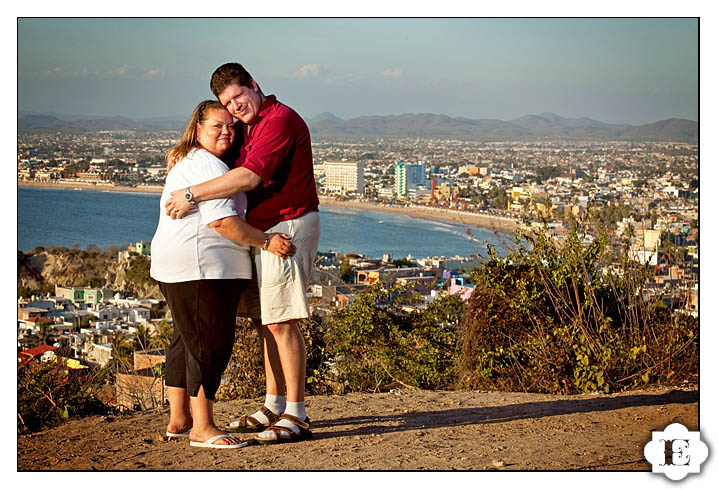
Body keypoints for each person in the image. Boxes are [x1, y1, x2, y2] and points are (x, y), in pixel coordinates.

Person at [164, 62, 320, 444]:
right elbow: (220, 161)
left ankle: (295, 413)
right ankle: (273, 403)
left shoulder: (279, 121)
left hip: (286, 227)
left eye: (238, 97)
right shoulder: (247, 129)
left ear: (254, 85)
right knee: (266, 321)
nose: (234, 109)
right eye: (227, 105)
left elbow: (249, 177)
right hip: (262, 233)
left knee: (283, 322)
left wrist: (190, 193)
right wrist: (184, 152)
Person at [151, 99, 295, 449]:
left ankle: (180, 420)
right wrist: (266, 241)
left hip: (181, 266)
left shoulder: (197, 160)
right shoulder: (208, 166)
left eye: (231, 126)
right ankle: (203, 427)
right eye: (217, 126)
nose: (227, 132)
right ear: (198, 128)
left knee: (185, 342)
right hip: (202, 268)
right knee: (209, 344)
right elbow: (222, 222)